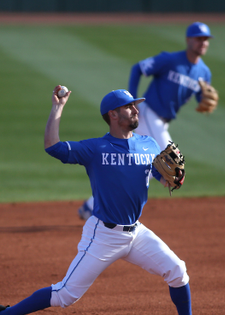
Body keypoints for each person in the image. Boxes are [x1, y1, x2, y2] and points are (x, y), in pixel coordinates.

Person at [0, 85, 212, 315]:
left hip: (137, 232)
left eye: (135, 105)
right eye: (129, 107)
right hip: (104, 235)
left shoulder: (148, 143)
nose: (136, 110)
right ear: (113, 115)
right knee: (65, 295)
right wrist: (58, 107)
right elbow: (53, 146)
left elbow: (160, 176)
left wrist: (172, 179)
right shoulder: (96, 148)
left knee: (177, 271)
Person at [78, 21, 215, 221]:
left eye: (205, 39)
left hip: (163, 121)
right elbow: (138, 68)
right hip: (148, 114)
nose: (202, 42)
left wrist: (203, 102)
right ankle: (94, 205)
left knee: (144, 166)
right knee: (171, 160)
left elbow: (200, 100)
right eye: (198, 38)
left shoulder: (204, 73)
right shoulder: (169, 60)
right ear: (188, 40)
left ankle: (92, 204)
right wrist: (133, 104)